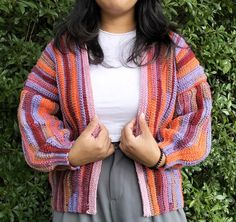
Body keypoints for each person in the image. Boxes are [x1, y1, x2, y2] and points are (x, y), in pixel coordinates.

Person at [17, 0, 212, 221]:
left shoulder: (172, 49)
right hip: (77, 199)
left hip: (155, 199)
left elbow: (198, 113)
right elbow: (33, 108)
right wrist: (69, 154)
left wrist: (160, 156)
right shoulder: (62, 51)